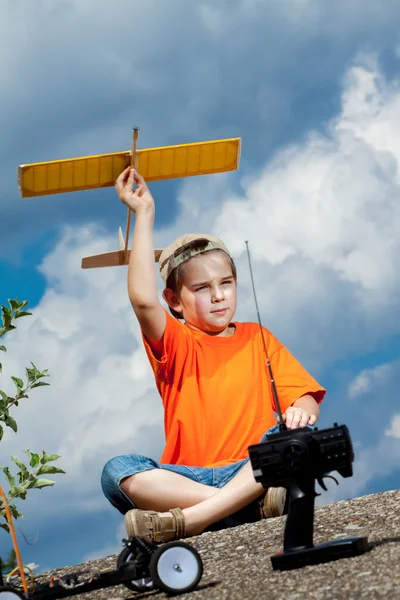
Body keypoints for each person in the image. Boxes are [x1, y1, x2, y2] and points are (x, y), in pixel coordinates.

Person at [101, 167, 326, 544]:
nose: (219, 295)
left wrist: (301, 410)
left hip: (252, 465)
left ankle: (192, 520)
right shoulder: (175, 342)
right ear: (173, 301)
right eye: (202, 288)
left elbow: (303, 396)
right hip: (190, 478)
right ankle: (237, 509)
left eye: (226, 283)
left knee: (292, 435)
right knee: (116, 472)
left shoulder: (258, 337)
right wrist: (144, 213)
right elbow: (142, 299)